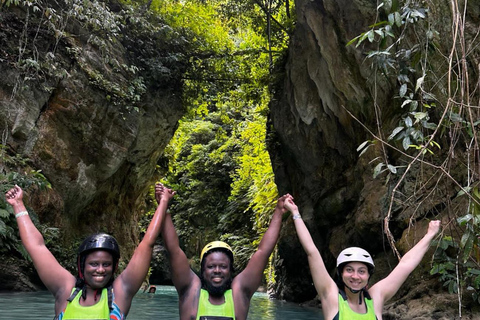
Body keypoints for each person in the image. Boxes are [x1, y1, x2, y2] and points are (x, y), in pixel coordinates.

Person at [5, 184, 174, 320]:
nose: (100, 269)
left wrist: (163, 203)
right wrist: (18, 205)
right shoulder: (65, 289)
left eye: (106, 264)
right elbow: (36, 247)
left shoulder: (120, 293)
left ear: (114, 267)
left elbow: (147, 244)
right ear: (82, 265)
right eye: (94, 264)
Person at [284, 194, 441, 320]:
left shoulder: (376, 298)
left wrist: (429, 235)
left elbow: (405, 265)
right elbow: (312, 252)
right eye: (350, 270)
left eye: (361, 271)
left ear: (368, 275)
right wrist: (295, 213)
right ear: (341, 273)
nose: (355, 276)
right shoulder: (331, 297)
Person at [156, 183, 290, 320]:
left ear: (231, 269)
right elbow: (173, 250)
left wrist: (279, 211)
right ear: (202, 270)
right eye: (211, 266)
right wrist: (163, 205)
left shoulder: (239, 293)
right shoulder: (191, 291)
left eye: (223, 266)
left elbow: (263, 252)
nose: (217, 270)